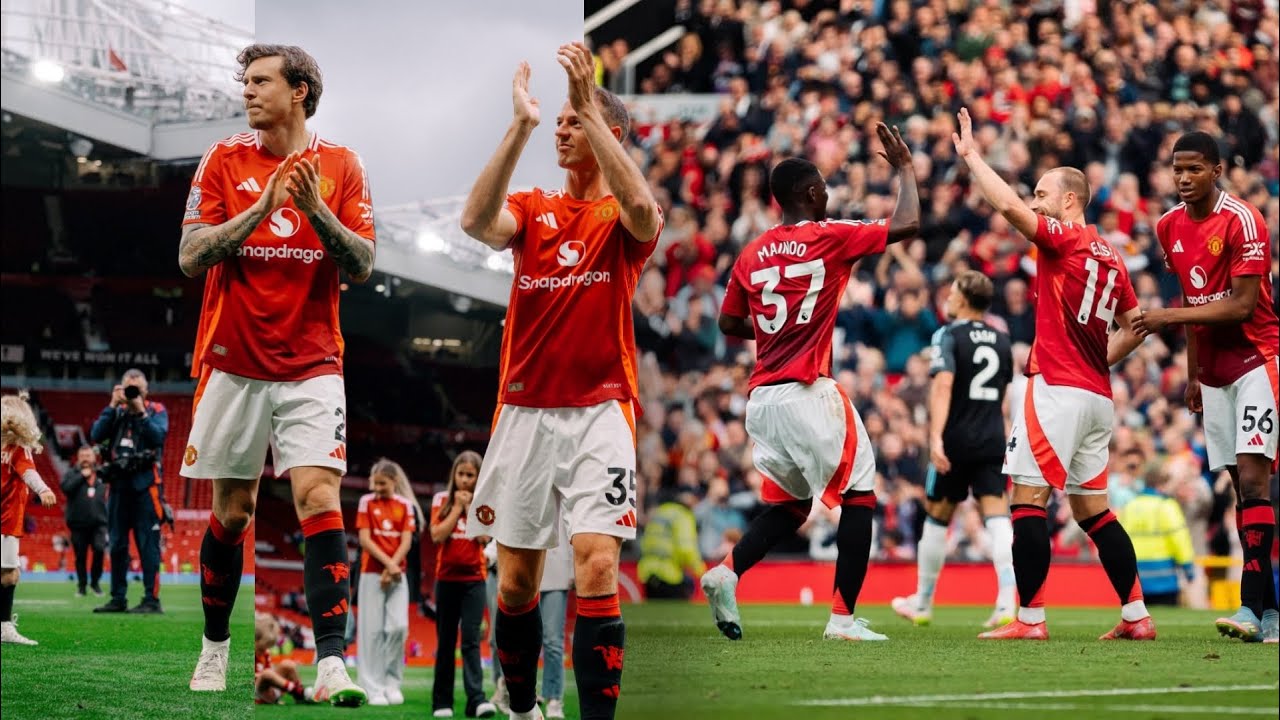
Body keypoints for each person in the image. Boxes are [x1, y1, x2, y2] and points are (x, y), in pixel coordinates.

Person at [458, 43, 663, 720]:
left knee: (598, 565)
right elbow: (477, 223)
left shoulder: (619, 221)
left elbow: (644, 213)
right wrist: (519, 125)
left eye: (573, 119)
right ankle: (520, 710)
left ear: (607, 133)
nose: (561, 128)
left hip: (603, 409)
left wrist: (592, 107)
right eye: (562, 121)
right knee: (516, 585)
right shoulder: (536, 207)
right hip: (524, 411)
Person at [177, 43, 374, 703]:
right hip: (233, 360)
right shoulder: (223, 160)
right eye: (246, 81)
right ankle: (214, 648)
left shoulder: (343, 166)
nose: (247, 92)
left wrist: (315, 210)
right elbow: (190, 256)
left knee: (319, 498)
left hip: (314, 360)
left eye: (260, 81)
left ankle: (331, 663)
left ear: (299, 90)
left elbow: (363, 263)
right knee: (234, 513)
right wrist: (259, 210)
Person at [700, 123, 920, 643]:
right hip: (806, 390)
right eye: (823, 187)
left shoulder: (751, 253)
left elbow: (728, 324)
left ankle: (726, 572)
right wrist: (906, 168)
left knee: (793, 505)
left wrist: (778, 325)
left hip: (763, 401)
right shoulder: (831, 235)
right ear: (812, 193)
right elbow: (907, 223)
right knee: (860, 495)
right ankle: (842, 620)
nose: (829, 193)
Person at [951, 107, 1154, 641]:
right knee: (1093, 510)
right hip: (1097, 398)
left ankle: (1030, 620)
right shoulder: (1112, 256)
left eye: (1043, 193)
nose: (1036, 199)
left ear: (1069, 201)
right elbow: (1137, 325)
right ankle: (1136, 617)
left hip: (1057, 390)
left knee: (1026, 498)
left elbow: (1010, 209)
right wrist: (1097, 360)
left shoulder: (1066, 238)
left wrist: (972, 157)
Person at [1133, 131, 1278, 643]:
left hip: (1257, 360)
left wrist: (1166, 317)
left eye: (1194, 169)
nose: (1183, 178)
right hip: (1215, 373)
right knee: (1242, 490)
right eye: (1177, 169)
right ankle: (1272, 615)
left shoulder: (1243, 220)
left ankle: (1248, 608)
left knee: (1257, 484)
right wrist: (1195, 372)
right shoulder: (1168, 225)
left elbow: (1240, 306)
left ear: (1216, 170)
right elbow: (1195, 300)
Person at [892, 270, 1015, 629]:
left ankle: (923, 603)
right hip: (992, 436)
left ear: (963, 299)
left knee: (936, 517)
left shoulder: (947, 334)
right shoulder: (1002, 339)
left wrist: (935, 439)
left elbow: (943, 386)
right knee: (997, 517)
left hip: (957, 438)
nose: (946, 297)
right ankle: (1007, 600)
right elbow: (1003, 397)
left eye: (952, 292)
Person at [90, 369, 168, 614]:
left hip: (146, 488)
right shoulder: (117, 413)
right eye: (128, 389)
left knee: (149, 546)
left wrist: (141, 411)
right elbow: (96, 435)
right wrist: (113, 405)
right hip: (118, 489)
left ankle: (151, 600)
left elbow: (158, 438)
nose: (133, 393)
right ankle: (118, 598)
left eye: (137, 389)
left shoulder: (156, 411)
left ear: (146, 391)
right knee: (118, 546)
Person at [430, 452, 497, 718]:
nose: (465, 480)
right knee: (445, 641)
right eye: (461, 474)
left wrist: (470, 509)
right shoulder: (440, 500)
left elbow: (483, 538)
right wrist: (456, 508)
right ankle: (442, 702)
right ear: (454, 475)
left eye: (470, 475)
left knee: (470, 640)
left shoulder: (485, 502)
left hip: (474, 582)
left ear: (478, 478)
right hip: (446, 580)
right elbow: (437, 535)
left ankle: (476, 700)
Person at [355, 459, 419, 706]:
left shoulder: (406, 506)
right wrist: (389, 565)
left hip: (396, 576)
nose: (378, 487)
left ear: (394, 481)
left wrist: (393, 567)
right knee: (371, 632)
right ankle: (373, 687)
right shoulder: (366, 503)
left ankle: (392, 683)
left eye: (382, 483)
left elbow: (406, 541)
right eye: (375, 483)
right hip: (372, 573)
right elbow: (365, 539)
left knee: (398, 627)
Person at [1, 392, 58, 645]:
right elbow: (29, 472)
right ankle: (4, 628)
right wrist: (44, 490)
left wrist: (42, 488)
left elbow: (28, 472)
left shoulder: (13, 448)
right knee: (10, 574)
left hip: (7, 520)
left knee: (10, 573)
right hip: (5, 520)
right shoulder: (17, 448)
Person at [1119, 467, 1196, 606]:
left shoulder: (1130, 505)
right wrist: (1188, 567)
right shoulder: (1166, 505)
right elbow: (1179, 539)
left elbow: (1122, 539)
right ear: (1161, 484)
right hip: (1164, 577)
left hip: (1136, 577)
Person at [637, 490, 706, 600]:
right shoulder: (683, 515)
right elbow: (685, 548)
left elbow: (645, 541)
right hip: (669, 575)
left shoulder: (661, 511)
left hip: (648, 573)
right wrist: (701, 571)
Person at [536, 526, 574, 720]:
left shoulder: (565, 494)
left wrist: (574, 570)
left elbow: (572, 528)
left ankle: (554, 698)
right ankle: (529, 696)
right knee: (528, 640)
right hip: (529, 570)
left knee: (552, 640)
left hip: (557, 572)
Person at [61, 445, 108, 597]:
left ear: (94, 457)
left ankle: (95, 583)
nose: (86, 458)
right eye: (82, 456)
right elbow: (65, 488)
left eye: (88, 455)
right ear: (78, 458)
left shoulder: (102, 474)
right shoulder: (71, 473)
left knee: (99, 550)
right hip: (78, 524)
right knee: (80, 556)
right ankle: (82, 586)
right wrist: (82, 476)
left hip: (99, 523)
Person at [255, 611, 314, 704]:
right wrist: (261, 676)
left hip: (270, 690)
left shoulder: (265, 653)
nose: (264, 651)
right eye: (262, 649)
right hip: (256, 693)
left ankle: (301, 696)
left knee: (288, 664)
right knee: (266, 674)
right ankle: (299, 692)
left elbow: (269, 672)